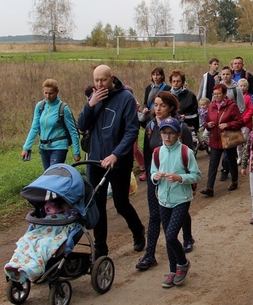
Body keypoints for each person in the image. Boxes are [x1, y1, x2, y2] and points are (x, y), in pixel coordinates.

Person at [77, 65, 146, 257]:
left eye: (103, 80)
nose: (99, 84)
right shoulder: (94, 97)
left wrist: (116, 154)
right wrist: (90, 105)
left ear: (112, 78)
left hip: (118, 161)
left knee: (120, 203)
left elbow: (132, 131)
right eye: (96, 80)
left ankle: (138, 231)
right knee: (97, 204)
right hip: (95, 160)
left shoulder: (126, 99)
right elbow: (81, 125)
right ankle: (101, 248)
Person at [137, 92, 196, 272]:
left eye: (162, 105)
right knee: (155, 216)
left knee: (180, 211)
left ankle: (187, 237)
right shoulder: (151, 127)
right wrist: (152, 176)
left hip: (179, 184)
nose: (158, 109)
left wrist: (187, 182)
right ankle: (150, 254)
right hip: (158, 180)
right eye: (155, 105)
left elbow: (188, 156)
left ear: (171, 107)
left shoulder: (181, 129)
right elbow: (149, 155)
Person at [150, 117, 201, 288]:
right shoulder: (157, 152)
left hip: (182, 199)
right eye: (164, 133)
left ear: (178, 135)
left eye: (171, 133)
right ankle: (173, 271)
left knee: (171, 235)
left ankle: (183, 263)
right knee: (168, 238)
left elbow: (196, 175)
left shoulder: (186, 152)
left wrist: (180, 178)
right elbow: (152, 172)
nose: (167, 137)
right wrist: (155, 177)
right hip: (163, 199)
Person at [4, 198, 77, 283]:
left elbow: (71, 224)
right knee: (26, 241)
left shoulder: (71, 214)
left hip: (55, 233)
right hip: (44, 229)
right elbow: (44, 217)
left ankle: (33, 268)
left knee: (43, 246)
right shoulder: (50, 207)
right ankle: (14, 263)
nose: (64, 207)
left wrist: (68, 212)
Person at [22, 78, 81, 170]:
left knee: (53, 174)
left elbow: (73, 131)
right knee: (48, 177)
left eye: (51, 93)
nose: (48, 96)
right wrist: (26, 147)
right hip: (44, 147)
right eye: (45, 93)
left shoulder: (63, 108)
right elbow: (34, 127)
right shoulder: (40, 106)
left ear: (57, 92)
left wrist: (76, 152)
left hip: (59, 146)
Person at [200, 84, 243, 196]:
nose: (216, 96)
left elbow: (240, 122)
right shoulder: (211, 106)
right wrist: (208, 125)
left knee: (231, 160)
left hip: (227, 139)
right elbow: (206, 122)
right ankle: (209, 188)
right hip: (215, 138)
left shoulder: (232, 106)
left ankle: (234, 180)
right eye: (215, 94)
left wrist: (227, 125)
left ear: (224, 94)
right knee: (213, 163)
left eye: (219, 94)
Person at [169, 69, 198, 134]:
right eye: (174, 81)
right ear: (171, 82)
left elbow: (195, 114)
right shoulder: (167, 95)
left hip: (187, 128)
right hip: (170, 127)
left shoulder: (190, 95)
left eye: (178, 81)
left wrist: (185, 117)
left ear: (182, 82)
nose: (176, 83)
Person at [237, 78, 253, 166]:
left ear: (247, 87)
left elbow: (251, 110)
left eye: (244, 86)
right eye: (240, 86)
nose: (242, 88)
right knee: (237, 141)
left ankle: (247, 156)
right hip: (237, 123)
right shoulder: (236, 97)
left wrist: (244, 119)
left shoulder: (248, 97)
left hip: (246, 123)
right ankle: (240, 157)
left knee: (245, 140)